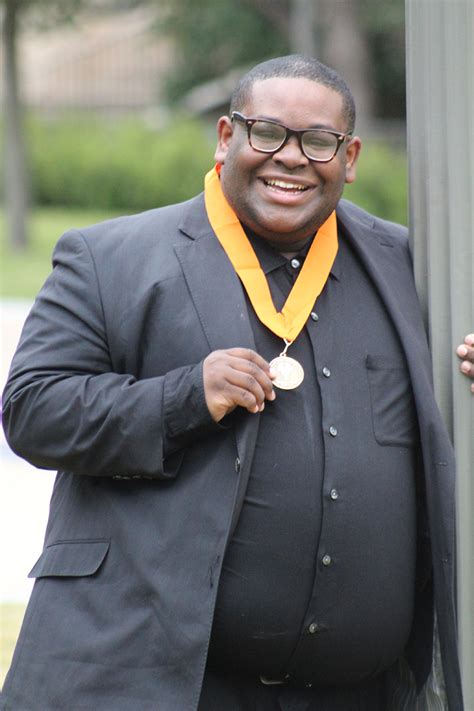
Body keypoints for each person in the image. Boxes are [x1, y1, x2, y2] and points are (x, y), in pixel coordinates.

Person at [1, 55, 471, 711]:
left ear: (350, 156)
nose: (291, 157)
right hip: (161, 688)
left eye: (318, 141)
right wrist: (183, 398)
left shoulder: (414, 269)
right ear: (227, 137)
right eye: (267, 132)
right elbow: (33, 410)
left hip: (363, 694)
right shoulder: (109, 259)